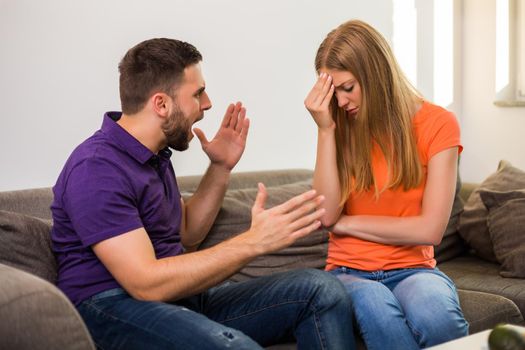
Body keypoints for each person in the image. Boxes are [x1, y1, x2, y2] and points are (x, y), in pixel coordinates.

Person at [51, 38, 355, 350]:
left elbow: (186, 234)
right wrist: (253, 242)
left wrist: (220, 167)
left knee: (321, 291)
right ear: (161, 104)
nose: (208, 103)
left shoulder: (152, 156)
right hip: (110, 306)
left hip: (179, 299)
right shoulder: (97, 168)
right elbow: (145, 283)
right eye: (198, 93)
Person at [304, 19, 469, 349]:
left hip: (414, 268)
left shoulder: (438, 124)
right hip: (348, 271)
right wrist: (325, 131)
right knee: (378, 308)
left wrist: (347, 223)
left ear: (376, 75)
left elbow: (430, 230)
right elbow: (327, 214)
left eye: (347, 87)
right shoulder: (337, 125)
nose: (340, 101)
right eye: (331, 90)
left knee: (438, 317)